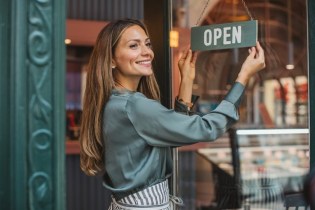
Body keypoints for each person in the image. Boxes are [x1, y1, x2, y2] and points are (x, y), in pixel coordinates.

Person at [79, 18, 265, 210]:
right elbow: (206, 129)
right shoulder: (134, 106)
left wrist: (186, 81)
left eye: (147, 43)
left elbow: (175, 131)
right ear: (111, 59)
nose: (147, 52)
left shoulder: (115, 101)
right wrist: (243, 77)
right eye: (134, 45)